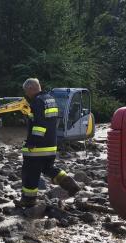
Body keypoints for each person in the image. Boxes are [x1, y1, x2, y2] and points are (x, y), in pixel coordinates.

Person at [18, 78, 80, 207]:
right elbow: (48, 122)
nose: (26, 94)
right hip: (51, 145)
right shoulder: (50, 100)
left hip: (38, 148)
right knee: (48, 168)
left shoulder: (37, 102)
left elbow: (39, 126)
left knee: (30, 173)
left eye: (26, 91)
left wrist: (32, 142)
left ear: (31, 88)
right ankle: (71, 184)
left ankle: (28, 201)